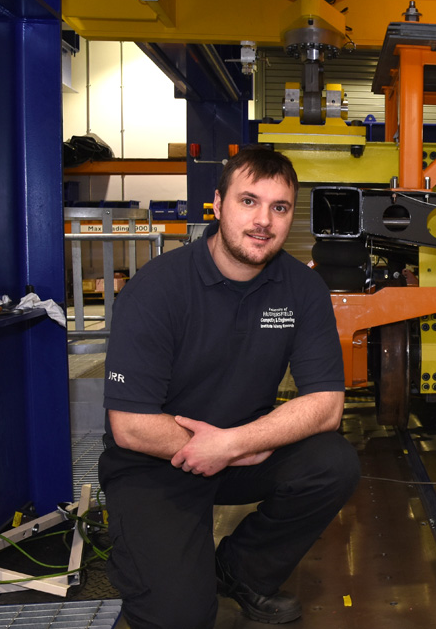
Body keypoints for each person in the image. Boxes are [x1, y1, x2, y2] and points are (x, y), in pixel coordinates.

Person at [98, 146, 360, 628]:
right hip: (154, 464)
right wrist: (221, 449)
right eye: (248, 201)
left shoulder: (302, 290)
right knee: (180, 615)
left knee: (332, 463)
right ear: (217, 205)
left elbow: (326, 407)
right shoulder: (158, 289)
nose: (263, 220)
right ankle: (152, 560)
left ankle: (240, 571)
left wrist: (235, 445)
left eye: (279, 208)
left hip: (240, 451)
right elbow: (131, 426)